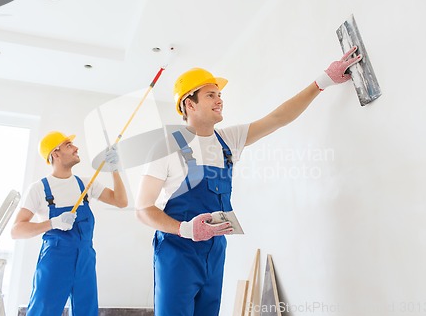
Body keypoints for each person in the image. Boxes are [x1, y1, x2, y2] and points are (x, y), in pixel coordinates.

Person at [135, 47, 362, 316]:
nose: (219, 101)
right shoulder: (166, 148)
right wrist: (186, 229)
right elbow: (143, 209)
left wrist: (322, 81)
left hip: (215, 249)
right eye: (211, 95)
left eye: (220, 95)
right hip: (177, 250)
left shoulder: (227, 141)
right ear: (189, 104)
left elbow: (278, 118)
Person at [11, 131, 128, 316]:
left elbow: (121, 201)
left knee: (86, 312)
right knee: (44, 311)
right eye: (68, 145)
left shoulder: (85, 184)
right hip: (55, 260)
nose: (76, 147)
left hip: (86, 260)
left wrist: (115, 169)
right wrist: (53, 223)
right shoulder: (39, 188)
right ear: (55, 154)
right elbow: (16, 231)